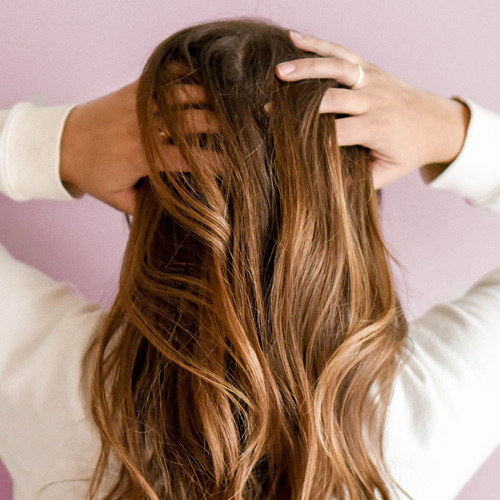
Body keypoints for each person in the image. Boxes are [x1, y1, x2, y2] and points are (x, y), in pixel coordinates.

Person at [1, 18, 499, 500]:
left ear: (152, 195)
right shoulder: (431, 410)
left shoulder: (51, 377)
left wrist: (57, 141)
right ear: (349, 204)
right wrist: (446, 130)